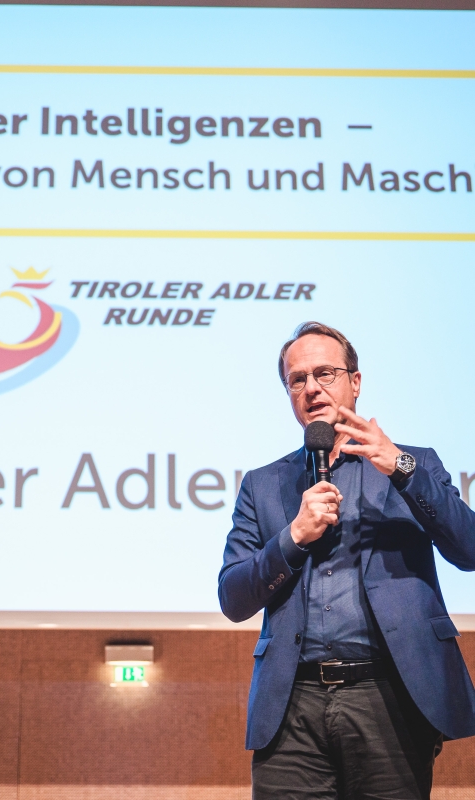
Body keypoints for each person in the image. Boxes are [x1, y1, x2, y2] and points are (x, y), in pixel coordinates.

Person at [219, 321, 475, 800]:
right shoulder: (263, 484)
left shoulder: (412, 463)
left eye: (325, 373)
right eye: (297, 379)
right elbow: (233, 598)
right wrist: (293, 537)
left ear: (355, 382)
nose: (311, 387)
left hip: (390, 696)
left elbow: (469, 549)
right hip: (291, 705)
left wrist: (401, 469)